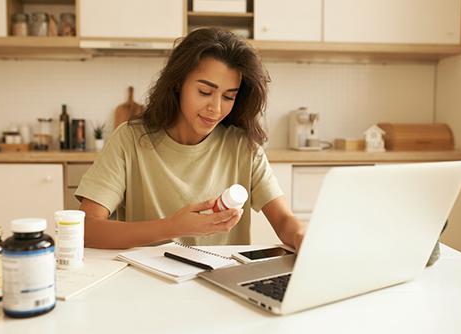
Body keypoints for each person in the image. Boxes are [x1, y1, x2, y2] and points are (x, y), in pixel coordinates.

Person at [75, 27, 305, 250]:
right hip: (148, 283)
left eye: (228, 96)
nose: (215, 108)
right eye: (205, 92)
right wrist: (171, 227)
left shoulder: (242, 147)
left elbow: (284, 220)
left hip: (223, 281)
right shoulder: (131, 139)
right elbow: (86, 228)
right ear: (178, 83)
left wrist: (302, 237)